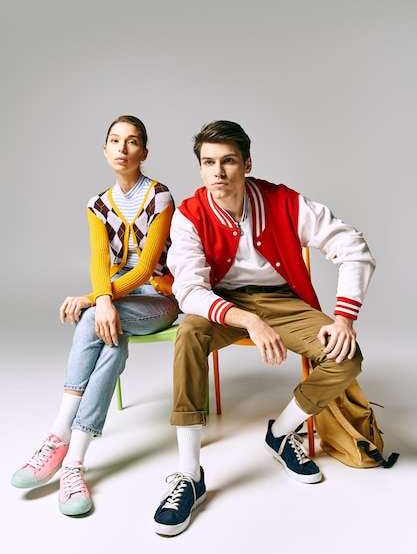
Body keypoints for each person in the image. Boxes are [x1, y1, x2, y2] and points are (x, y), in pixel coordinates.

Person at [153, 120, 376, 536]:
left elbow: (354, 248)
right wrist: (248, 321)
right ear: (200, 169)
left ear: (247, 163)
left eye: (228, 161)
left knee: (347, 357)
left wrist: (344, 317)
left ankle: (281, 431)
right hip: (224, 304)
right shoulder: (188, 214)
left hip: (283, 301)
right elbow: (188, 291)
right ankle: (189, 475)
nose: (218, 172)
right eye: (208, 163)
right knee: (188, 335)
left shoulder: (284, 201)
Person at [11, 115, 179, 516]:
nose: (122, 148)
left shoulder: (161, 198)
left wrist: (94, 299)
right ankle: (73, 462)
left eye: (132, 141)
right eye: (115, 141)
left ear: (144, 152)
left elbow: (144, 269)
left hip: (160, 298)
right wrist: (102, 298)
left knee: (94, 319)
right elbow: (100, 260)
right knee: (111, 340)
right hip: (119, 305)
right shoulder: (96, 205)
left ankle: (57, 436)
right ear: (105, 151)